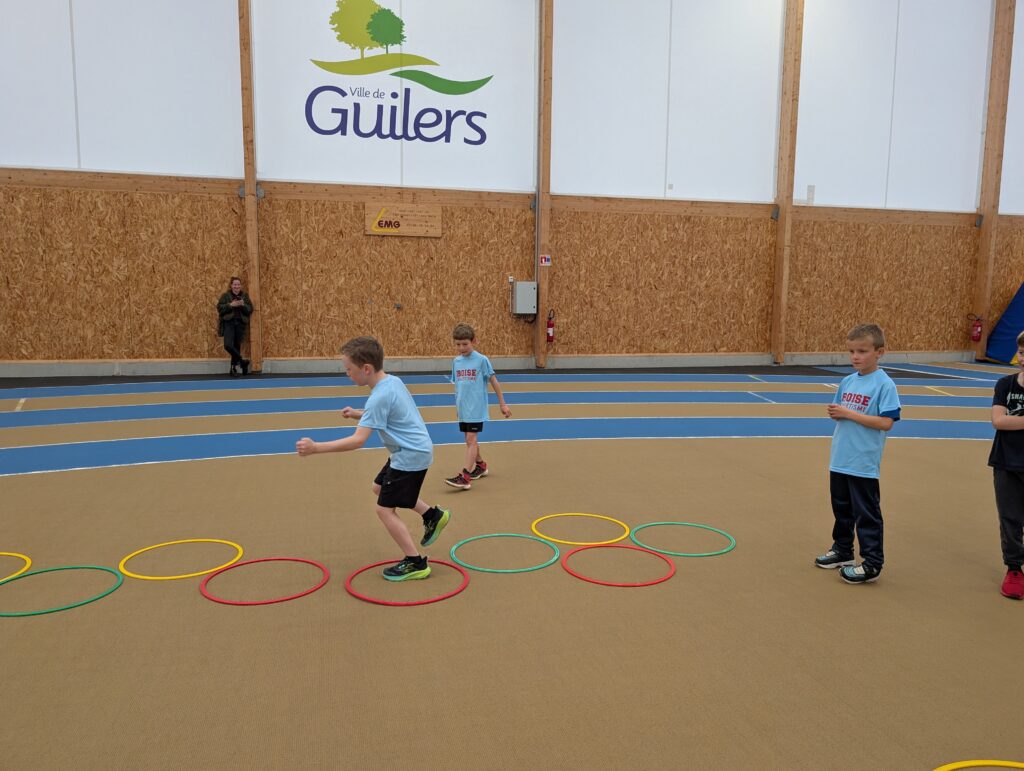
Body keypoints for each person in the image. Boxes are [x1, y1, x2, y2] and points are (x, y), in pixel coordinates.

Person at [295, 336, 450, 581]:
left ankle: (415, 562)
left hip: (409, 455)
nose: (347, 374)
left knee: (384, 510)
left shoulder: (378, 397)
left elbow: (358, 440)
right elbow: (386, 413)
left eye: (349, 369)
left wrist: (316, 448)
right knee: (379, 488)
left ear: (366, 368)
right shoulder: (392, 382)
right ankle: (432, 515)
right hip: (409, 451)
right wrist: (359, 414)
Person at [814, 323, 901, 584]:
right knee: (841, 509)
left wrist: (848, 413)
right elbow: (841, 411)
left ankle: (872, 562)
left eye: (862, 351)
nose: (855, 356)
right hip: (840, 458)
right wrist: (839, 413)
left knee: (866, 512)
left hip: (863, 462)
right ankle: (843, 550)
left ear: (879, 352)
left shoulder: (884, 384)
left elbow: (886, 422)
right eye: (851, 351)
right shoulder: (848, 381)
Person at [444, 323, 512, 490]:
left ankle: (465, 476)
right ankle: (480, 465)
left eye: (465, 344)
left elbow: (494, 381)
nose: (461, 348)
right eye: (458, 344)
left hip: (476, 408)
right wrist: (458, 406)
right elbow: (458, 386)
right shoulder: (456, 362)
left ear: (473, 341)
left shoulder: (482, 360)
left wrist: (502, 404)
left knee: (471, 439)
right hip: (463, 408)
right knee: (469, 441)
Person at [988, 330, 1024, 600]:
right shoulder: (1005, 385)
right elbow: (999, 421)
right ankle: (1014, 569)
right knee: (1010, 519)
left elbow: (1008, 420)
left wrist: (1015, 421)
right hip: (1006, 462)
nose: (1023, 358)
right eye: (1021, 352)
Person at [217, 277, 253, 376]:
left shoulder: (244, 296)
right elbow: (219, 308)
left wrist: (243, 305)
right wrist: (231, 305)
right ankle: (242, 361)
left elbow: (250, 309)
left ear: (240, 286)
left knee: (237, 346)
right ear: (231, 285)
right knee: (228, 345)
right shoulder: (226, 296)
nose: (237, 286)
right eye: (235, 284)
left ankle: (233, 369)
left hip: (240, 323)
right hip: (229, 323)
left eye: (238, 284)